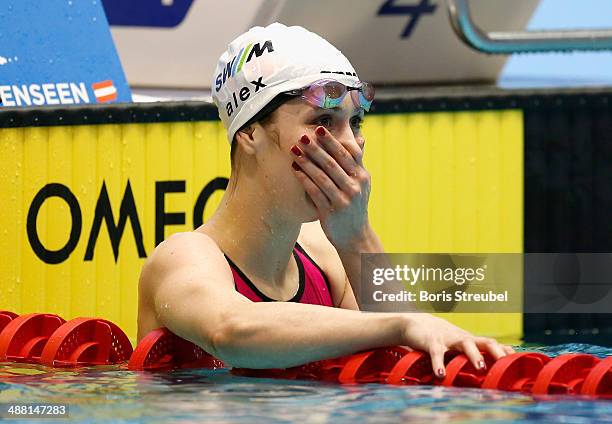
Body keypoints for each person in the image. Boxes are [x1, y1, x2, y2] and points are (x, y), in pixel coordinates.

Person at [137, 22, 514, 376]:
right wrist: (402, 324)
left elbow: (409, 372)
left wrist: (356, 237)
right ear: (250, 133)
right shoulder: (184, 257)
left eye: (355, 123)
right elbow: (232, 331)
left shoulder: (322, 257)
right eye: (323, 121)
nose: (350, 145)